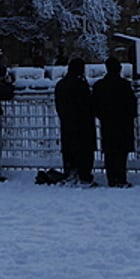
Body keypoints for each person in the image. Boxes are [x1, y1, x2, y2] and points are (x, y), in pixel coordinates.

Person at [92, 56, 138, 187]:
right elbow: (132, 105)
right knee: (121, 153)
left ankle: (111, 178)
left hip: (107, 123)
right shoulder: (124, 85)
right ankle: (121, 178)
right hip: (123, 123)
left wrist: (103, 116)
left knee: (109, 152)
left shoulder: (99, 86)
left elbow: (95, 106)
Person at [54, 57, 96, 185]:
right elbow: (87, 104)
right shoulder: (81, 85)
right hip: (83, 124)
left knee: (69, 149)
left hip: (67, 123)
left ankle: (70, 172)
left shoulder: (61, 84)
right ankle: (84, 175)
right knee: (84, 151)